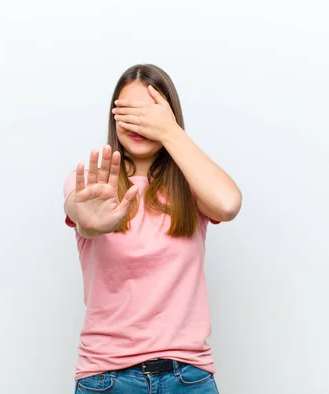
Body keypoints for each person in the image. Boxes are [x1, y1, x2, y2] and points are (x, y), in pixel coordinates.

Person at [63, 64, 242, 393]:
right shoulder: (93, 184)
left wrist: (171, 133)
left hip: (189, 377)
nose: (139, 123)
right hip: (107, 378)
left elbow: (228, 204)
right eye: (129, 112)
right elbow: (83, 217)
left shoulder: (191, 187)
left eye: (150, 113)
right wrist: (90, 221)